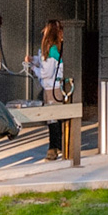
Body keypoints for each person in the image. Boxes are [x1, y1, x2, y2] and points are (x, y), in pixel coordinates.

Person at [27, 20, 68, 159]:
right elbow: (44, 61)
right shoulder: (52, 48)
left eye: (46, 28)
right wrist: (33, 60)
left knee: (53, 119)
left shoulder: (52, 49)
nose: (43, 30)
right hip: (51, 87)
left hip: (52, 88)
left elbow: (46, 72)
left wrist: (33, 69)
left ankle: (54, 148)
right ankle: (56, 147)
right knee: (53, 119)